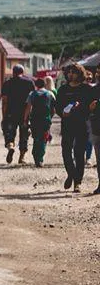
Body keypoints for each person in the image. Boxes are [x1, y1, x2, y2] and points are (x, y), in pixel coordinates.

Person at [55, 64, 91, 192]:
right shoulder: (63, 89)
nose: (70, 74)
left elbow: (90, 107)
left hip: (82, 124)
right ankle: (71, 173)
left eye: (73, 72)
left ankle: (77, 182)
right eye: (69, 72)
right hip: (67, 124)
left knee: (79, 153)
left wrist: (80, 108)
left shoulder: (86, 89)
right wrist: (62, 112)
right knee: (66, 151)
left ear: (80, 73)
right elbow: (57, 106)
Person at [1, 64, 35, 165]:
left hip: (10, 113)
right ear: (23, 72)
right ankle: (22, 157)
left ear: (13, 72)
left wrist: (4, 116)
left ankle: (10, 146)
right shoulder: (29, 83)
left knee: (9, 133)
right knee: (24, 135)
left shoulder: (7, 83)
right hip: (25, 113)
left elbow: (4, 101)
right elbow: (32, 101)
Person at [24, 78, 55, 169]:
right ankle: (40, 158)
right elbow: (53, 109)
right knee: (43, 138)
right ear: (45, 84)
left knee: (36, 137)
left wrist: (25, 120)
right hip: (45, 119)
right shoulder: (50, 94)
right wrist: (50, 117)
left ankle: (35, 155)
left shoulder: (32, 94)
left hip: (34, 120)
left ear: (36, 85)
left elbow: (28, 108)